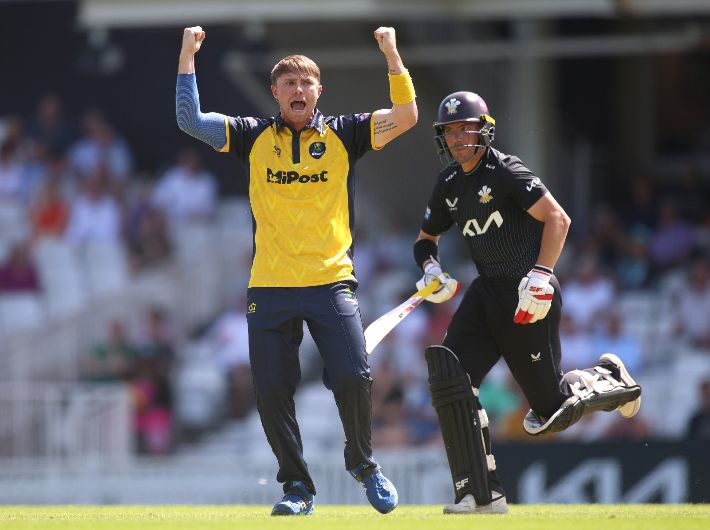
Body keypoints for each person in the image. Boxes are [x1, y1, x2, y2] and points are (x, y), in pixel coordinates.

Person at [176, 25, 417, 516]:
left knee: (353, 377)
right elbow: (189, 120)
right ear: (276, 94)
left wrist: (392, 54)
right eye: (289, 85)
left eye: (307, 84)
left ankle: (363, 464)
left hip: (330, 281)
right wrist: (187, 56)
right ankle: (297, 488)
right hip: (270, 286)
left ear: (319, 92)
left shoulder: (347, 133)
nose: (299, 91)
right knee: (269, 390)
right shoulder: (252, 137)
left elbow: (409, 115)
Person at [412, 91, 641, 514]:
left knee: (547, 414)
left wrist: (541, 275)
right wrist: (431, 270)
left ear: (484, 129)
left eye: (467, 128)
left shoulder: (505, 170)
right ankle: (480, 495)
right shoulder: (447, 184)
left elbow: (559, 219)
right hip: (485, 293)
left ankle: (610, 377)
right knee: (449, 378)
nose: (460, 138)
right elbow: (426, 240)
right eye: (451, 131)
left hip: (527, 294)